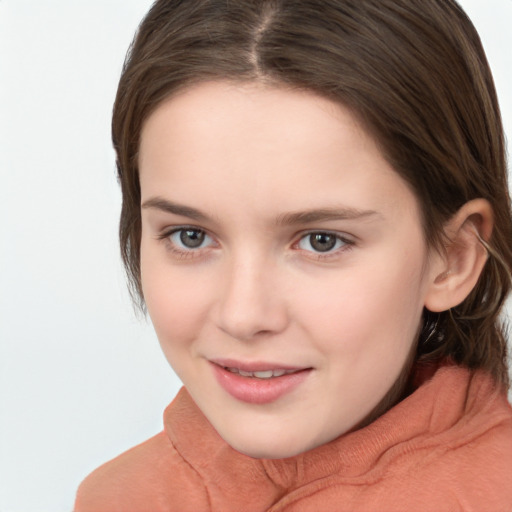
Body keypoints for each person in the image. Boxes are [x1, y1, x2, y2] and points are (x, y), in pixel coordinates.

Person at [74, 0, 512, 510]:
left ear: (454, 257)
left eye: (321, 241)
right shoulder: (118, 497)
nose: (243, 315)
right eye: (190, 236)